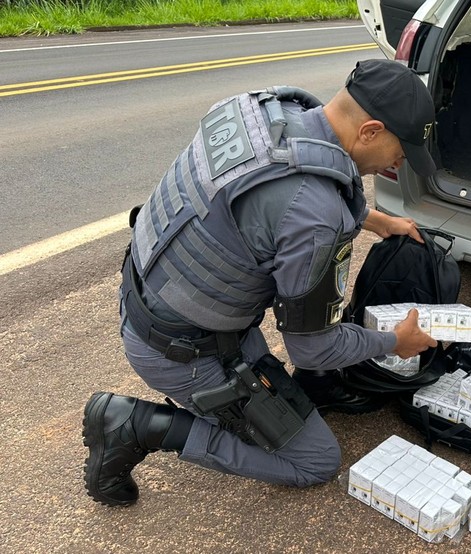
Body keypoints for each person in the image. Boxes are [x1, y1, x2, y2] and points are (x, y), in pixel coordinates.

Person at [82, 59, 439, 507]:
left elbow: (264, 202)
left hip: (150, 293)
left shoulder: (265, 111)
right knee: (316, 461)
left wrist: (374, 219)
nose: (398, 163)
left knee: (294, 385)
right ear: (369, 131)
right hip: (182, 351)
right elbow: (312, 349)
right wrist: (393, 343)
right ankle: (136, 426)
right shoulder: (315, 218)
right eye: (400, 152)